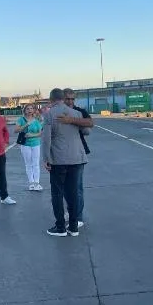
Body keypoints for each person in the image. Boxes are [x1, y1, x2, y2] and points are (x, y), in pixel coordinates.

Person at [41, 88, 87, 237]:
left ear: (51, 99)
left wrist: (46, 159)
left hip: (59, 159)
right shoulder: (76, 113)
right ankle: (73, 227)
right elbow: (86, 131)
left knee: (57, 194)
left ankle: (60, 227)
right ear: (63, 98)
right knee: (73, 193)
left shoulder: (49, 114)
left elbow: (46, 139)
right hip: (76, 158)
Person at [61, 88, 94, 228]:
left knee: (77, 187)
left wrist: (71, 120)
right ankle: (71, 211)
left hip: (77, 153)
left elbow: (90, 123)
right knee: (64, 187)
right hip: (61, 154)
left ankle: (78, 217)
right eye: (67, 99)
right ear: (62, 99)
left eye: (72, 99)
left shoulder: (79, 111)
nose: (70, 101)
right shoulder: (57, 112)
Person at [15, 104, 43, 191]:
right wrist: (26, 124)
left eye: (31, 108)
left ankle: (37, 183)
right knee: (28, 164)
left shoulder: (37, 120)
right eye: (28, 109)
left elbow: (41, 133)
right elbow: (16, 130)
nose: (30, 110)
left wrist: (32, 135)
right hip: (25, 144)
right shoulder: (21, 119)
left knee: (36, 163)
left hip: (36, 143)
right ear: (25, 110)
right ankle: (31, 183)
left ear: (34, 110)